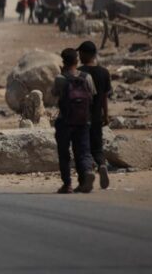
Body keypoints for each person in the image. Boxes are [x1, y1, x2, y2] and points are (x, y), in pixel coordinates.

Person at [51, 48, 97, 194]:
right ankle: (85, 175)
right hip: (83, 120)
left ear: (63, 62)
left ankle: (67, 184)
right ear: (77, 61)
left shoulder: (60, 79)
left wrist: (62, 73)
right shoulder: (87, 77)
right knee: (83, 151)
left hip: (64, 120)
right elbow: (92, 96)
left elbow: (53, 95)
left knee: (64, 153)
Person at [76, 40, 112, 189]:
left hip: (81, 117)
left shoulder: (79, 73)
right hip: (97, 115)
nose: (78, 56)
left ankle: (88, 172)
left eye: (80, 53)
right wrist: (105, 115)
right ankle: (102, 165)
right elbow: (104, 96)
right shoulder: (104, 72)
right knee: (97, 146)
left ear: (85, 54)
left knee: (83, 147)